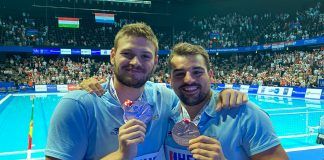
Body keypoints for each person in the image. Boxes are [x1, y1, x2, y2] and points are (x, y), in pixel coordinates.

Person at [45, 23, 247, 160]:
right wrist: (121, 155)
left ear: (155, 61)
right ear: (112, 55)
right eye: (127, 54)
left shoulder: (165, 98)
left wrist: (222, 93)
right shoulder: (77, 106)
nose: (136, 62)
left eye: (145, 56)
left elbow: (196, 94)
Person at [164, 42, 288, 160]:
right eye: (179, 74)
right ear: (170, 79)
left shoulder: (247, 115)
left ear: (211, 75)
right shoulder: (166, 117)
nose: (188, 80)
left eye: (197, 72)